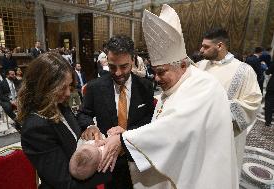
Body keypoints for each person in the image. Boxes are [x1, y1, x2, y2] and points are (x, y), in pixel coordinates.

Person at [98, 4, 239, 189]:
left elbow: (175, 130)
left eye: (161, 72)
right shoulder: (174, 86)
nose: (156, 78)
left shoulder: (204, 86)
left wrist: (125, 140)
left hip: (200, 175)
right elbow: (160, 128)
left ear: (182, 65)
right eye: (154, 72)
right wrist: (128, 135)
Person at [18, 52, 111, 189]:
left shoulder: (57, 103)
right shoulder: (35, 128)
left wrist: (90, 126)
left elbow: (76, 118)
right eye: (62, 88)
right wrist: (111, 165)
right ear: (44, 87)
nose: (68, 93)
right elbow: (66, 183)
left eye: (69, 86)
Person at [77, 35, 155, 189]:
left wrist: (126, 134)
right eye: (112, 67)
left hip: (138, 156)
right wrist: (89, 126)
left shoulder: (145, 86)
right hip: (110, 160)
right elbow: (83, 114)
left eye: (124, 66)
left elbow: (149, 120)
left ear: (133, 60)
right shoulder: (95, 87)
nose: (118, 73)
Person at [198, 27, 262, 176]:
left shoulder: (243, 71)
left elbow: (253, 103)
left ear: (219, 46)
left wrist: (218, 107)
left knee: (219, 175)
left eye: (206, 47)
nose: (201, 50)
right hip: (199, 132)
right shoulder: (200, 66)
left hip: (226, 136)